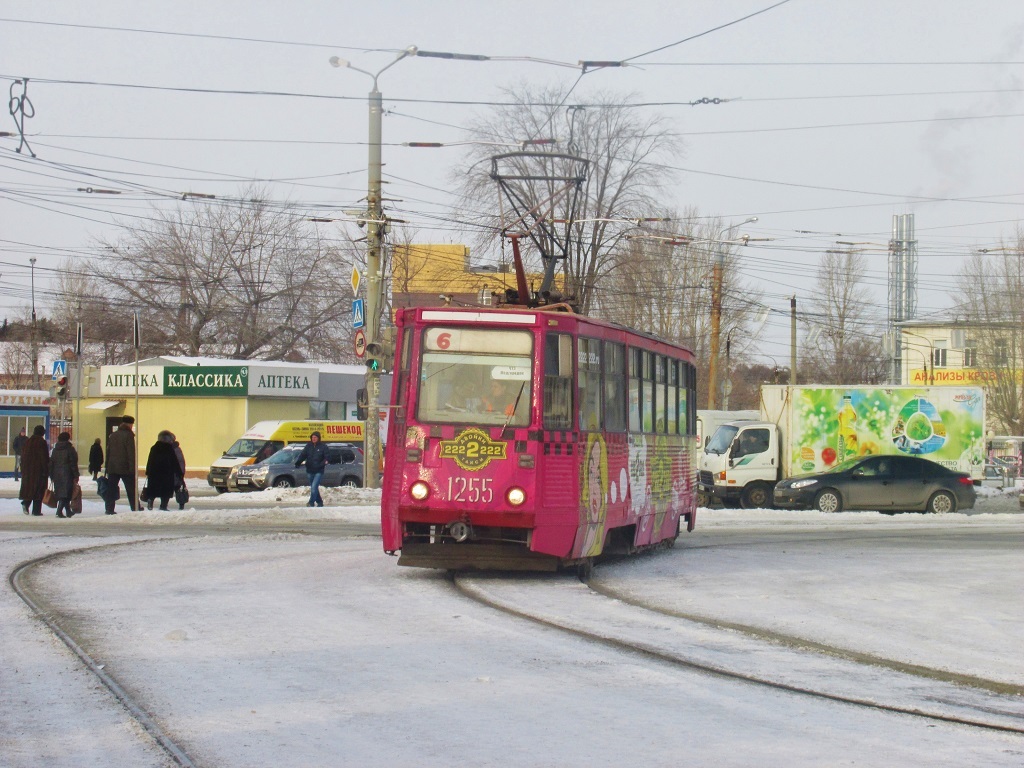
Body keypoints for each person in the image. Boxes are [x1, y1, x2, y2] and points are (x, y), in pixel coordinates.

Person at [105, 415, 137, 514]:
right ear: (129, 424)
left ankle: (109, 509)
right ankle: (135, 507)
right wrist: (132, 468)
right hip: (125, 467)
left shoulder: (113, 435)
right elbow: (130, 453)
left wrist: (107, 466)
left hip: (112, 466)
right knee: (131, 488)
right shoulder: (129, 435)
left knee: (111, 489)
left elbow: (108, 451)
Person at [144, 430, 183, 511]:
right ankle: (163, 506)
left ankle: (150, 501)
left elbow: (150, 460)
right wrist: (179, 473)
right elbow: (174, 461)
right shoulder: (169, 449)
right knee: (166, 492)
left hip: (154, 473)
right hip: (167, 474)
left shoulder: (154, 448)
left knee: (153, 490)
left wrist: (148, 471)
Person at [18, 425, 48, 516]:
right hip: (38, 470)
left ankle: (26, 503)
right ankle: (36, 511)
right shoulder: (41, 442)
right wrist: (46, 469)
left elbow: (22, 456)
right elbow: (44, 457)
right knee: (39, 490)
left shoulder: (28, 441)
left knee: (30, 489)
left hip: (27, 471)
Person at [49, 431, 79, 518]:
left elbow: (51, 463)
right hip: (67, 473)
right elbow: (73, 463)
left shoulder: (55, 450)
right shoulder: (70, 449)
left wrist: (51, 474)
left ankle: (68, 511)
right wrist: (76, 475)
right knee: (66, 494)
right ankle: (59, 511)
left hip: (57, 474)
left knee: (62, 493)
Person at [294, 431, 328, 508]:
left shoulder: (323, 447)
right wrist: (298, 462)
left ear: (318, 438)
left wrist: (323, 463)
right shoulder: (308, 446)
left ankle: (311, 502)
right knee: (314, 487)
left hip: (319, 470)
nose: (313, 439)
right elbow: (303, 455)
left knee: (314, 487)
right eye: (312, 437)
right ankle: (320, 502)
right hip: (310, 470)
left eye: (315, 437)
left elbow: (327, 457)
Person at [172, 437, 188, 510]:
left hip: (175, 474)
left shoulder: (175, 449)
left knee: (179, 489)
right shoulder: (175, 449)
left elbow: (181, 461)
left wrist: (181, 474)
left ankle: (181, 504)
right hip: (173, 473)